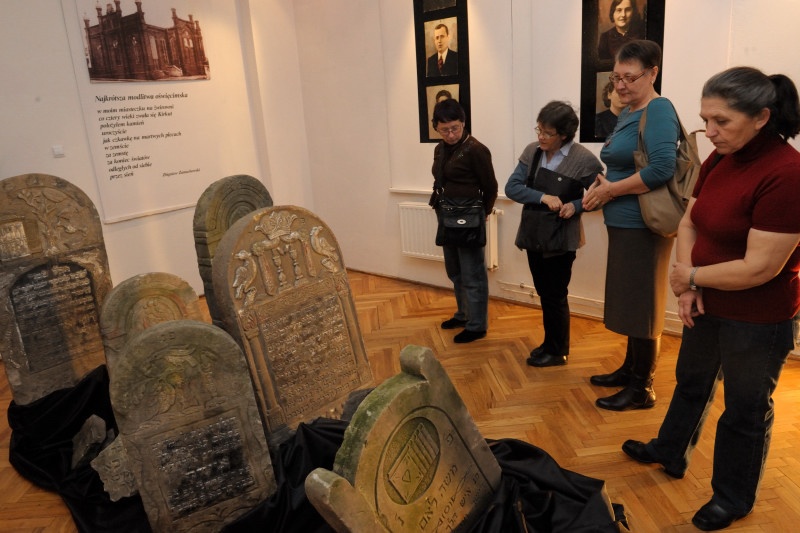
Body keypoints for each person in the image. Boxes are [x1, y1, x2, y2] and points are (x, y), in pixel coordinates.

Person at [621, 67, 800, 531]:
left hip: (757, 318)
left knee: (744, 409)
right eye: (705, 120)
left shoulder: (788, 173)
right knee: (691, 380)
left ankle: (733, 498)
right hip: (708, 300)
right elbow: (689, 222)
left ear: (761, 117)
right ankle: (670, 450)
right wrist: (690, 287)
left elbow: (761, 267)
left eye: (721, 121)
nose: (709, 131)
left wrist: (692, 276)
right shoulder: (721, 158)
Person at [582, 40, 679, 411]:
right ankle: (630, 369)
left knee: (644, 304)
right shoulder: (630, 111)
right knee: (631, 300)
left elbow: (661, 169)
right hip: (624, 221)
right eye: (616, 78)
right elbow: (627, 162)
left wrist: (610, 191)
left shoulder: (658, 109)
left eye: (629, 78)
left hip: (644, 224)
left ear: (653, 73)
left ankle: (642, 388)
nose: (620, 85)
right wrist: (603, 185)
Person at [505, 101, 604, 367]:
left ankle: (558, 351)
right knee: (544, 292)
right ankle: (550, 343)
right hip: (534, 234)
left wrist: (576, 206)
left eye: (548, 133)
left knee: (555, 294)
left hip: (561, 239)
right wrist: (543, 197)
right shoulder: (532, 151)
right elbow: (512, 187)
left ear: (564, 134)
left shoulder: (583, 159)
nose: (541, 137)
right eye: (539, 129)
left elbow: (602, 195)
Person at [429, 98, 498, 343]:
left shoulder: (476, 149)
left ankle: (477, 326)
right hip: (446, 213)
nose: (451, 134)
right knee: (455, 271)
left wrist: (484, 212)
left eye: (455, 128)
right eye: (444, 130)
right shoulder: (440, 149)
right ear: (436, 127)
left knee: (473, 274)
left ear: (464, 123)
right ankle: (463, 314)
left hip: (469, 217)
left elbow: (491, 186)